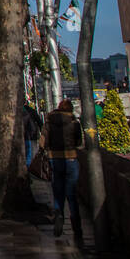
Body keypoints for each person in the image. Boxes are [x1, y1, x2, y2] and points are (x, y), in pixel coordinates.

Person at [41, 98, 84, 244]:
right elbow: (79, 142)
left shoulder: (49, 122)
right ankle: (77, 227)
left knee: (58, 191)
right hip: (71, 159)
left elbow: (43, 142)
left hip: (54, 159)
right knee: (72, 194)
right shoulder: (74, 123)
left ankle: (59, 216)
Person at [23, 101, 42, 166]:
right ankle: (32, 168)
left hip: (20, 137)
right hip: (31, 136)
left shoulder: (16, 112)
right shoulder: (32, 111)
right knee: (32, 154)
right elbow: (39, 123)